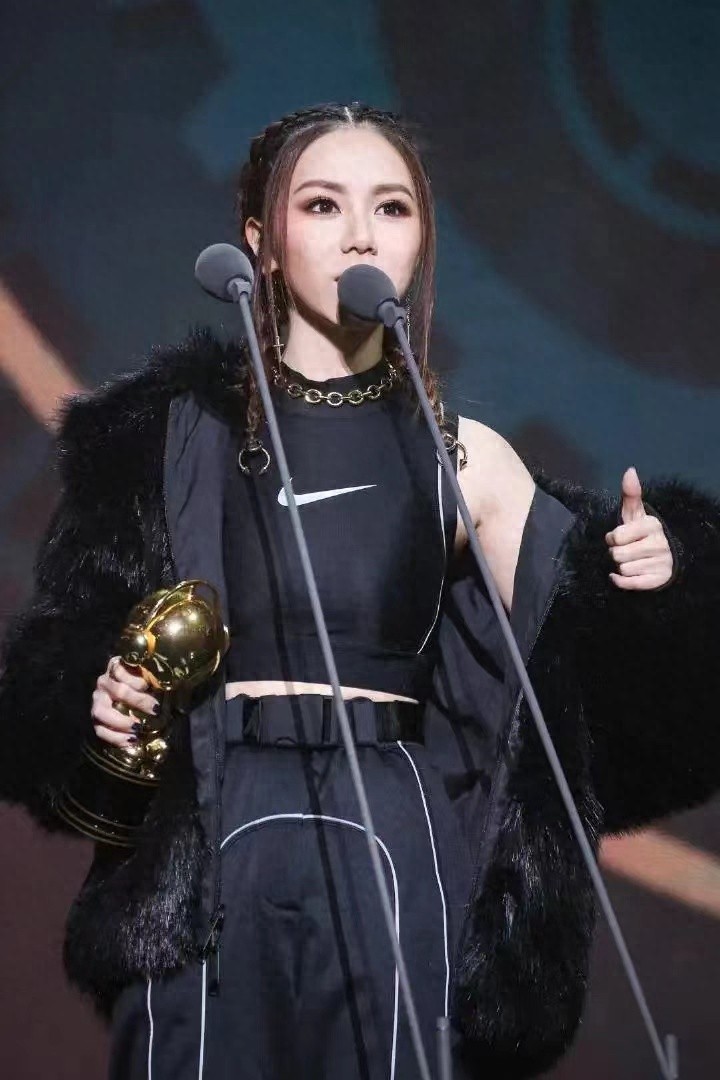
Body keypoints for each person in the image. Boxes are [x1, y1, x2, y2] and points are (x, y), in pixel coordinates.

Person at [0, 103, 718, 1080]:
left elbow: (588, 666)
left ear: (420, 241)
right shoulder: (159, 438)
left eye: (391, 207)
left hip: (391, 827)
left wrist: (656, 573)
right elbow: (58, 653)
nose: (360, 235)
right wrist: (99, 694)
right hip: (200, 827)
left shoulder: (465, 459)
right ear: (259, 241)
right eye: (322, 205)